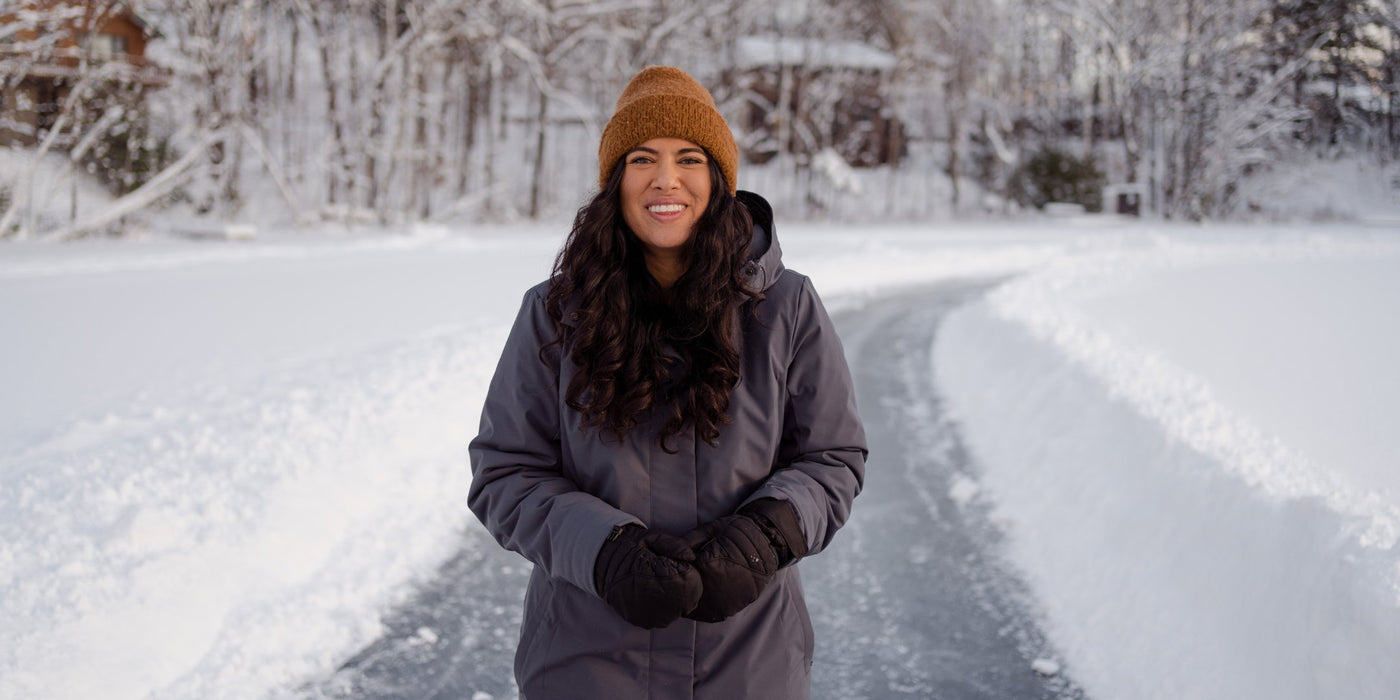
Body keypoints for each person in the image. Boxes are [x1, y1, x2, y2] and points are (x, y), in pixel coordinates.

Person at [468, 65, 867, 700]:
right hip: (585, 665)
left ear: (718, 179)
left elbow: (833, 458)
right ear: (614, 180)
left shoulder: (787, 306)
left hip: (750, 666)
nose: (666, 179)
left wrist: (767, 535)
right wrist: (604, 553)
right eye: (641, 158)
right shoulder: (553, 312)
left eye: (689, 158)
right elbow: (505, 472)